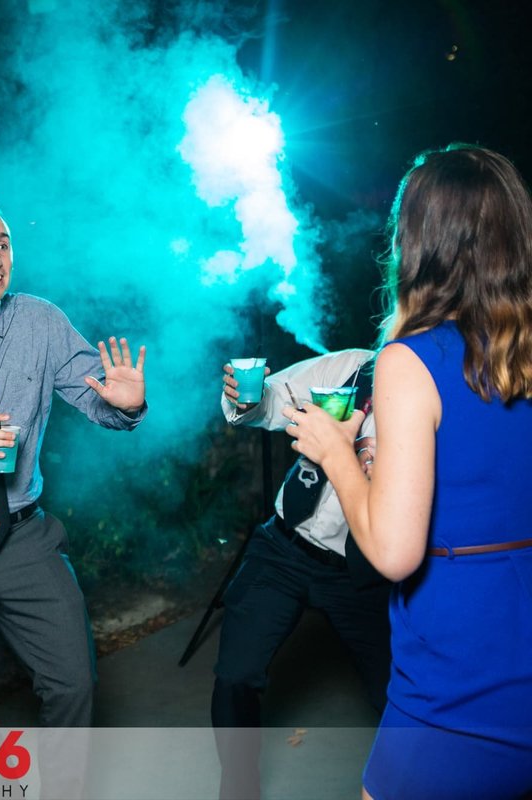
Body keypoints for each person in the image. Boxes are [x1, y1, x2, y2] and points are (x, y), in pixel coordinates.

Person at [285, 145, 532, 799]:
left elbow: (395, 553)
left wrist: (335, 452)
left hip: (457, 668)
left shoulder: (410, 360)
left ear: (418, 243)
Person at [0, 198, 148, 728]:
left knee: (74, 682)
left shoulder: (41, 321)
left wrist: (125, 405)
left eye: (3, 244)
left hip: (24, 536)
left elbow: (98, 397)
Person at [213, 351, 391, 799]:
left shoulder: (428, 405)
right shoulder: (353, 367)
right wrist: (248, 398)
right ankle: (238, 789)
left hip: (361, 571)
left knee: (396, 692)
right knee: (235, 675)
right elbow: (275, 399)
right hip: (283, 548)